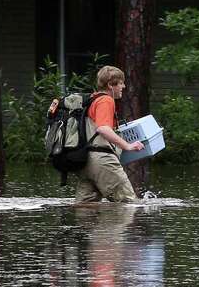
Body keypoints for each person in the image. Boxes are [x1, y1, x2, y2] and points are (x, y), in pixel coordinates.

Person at [48, 65, 144, 203]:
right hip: (102, 161)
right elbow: (103, 128)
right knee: (128, 203)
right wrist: (127, 146)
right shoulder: (106, 100)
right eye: (121, 83)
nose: (124, 86)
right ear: (111, 85)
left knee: (86, 209)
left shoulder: (92, 100)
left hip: (86, 163)